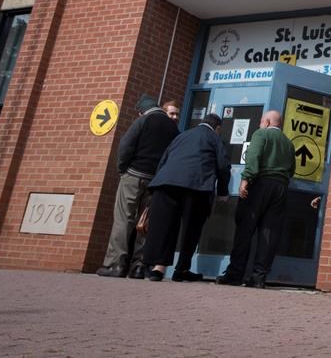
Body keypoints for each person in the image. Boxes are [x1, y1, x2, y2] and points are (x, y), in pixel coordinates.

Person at [96, 94, 179, 279]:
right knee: (144, 223)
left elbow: (126, 145)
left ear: (141, 111)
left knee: (123, 219)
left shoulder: (144, 120)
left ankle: (115, 265)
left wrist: (122, 169)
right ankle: (139, 266)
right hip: (155, 179)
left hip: (133, 175)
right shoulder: (172, 127)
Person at [141, 113, 230, 282]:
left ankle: (158, 269)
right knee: (191, 229)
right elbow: (223, 165)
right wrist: (223, 191)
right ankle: (181, 269)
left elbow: (164, 159)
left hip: (166, 183)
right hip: (196, 186)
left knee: (165, 226)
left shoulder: (182, 135)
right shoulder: (214, 137)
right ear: (217, 128)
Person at [217, 110, 295, 288]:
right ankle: (258, 277)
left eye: (261, 120)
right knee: (269, 233)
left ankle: (235, 275)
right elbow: (291, 169)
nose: (259, 124)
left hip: (260, 184)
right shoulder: (288, 143)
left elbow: (253, 156)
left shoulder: (261, 134)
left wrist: (246, 179)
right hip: (280, 187)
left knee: (245, 229)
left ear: (267, 122)